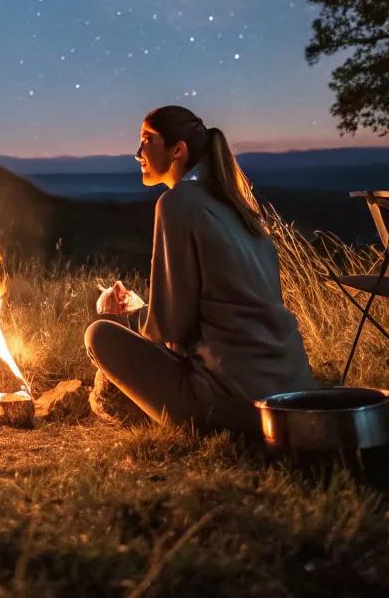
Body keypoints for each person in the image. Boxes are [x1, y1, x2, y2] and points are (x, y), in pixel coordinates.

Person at [85, 104, 314, 433]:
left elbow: (169, 329)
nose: (138, 153)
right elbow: (219, 311)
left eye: (147, 140)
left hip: (233, 401)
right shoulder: (239, 206)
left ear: (177, 150)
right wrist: (142, 312)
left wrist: (123, 317)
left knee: (99, 333)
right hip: (290, 391)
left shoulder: (177, 203)